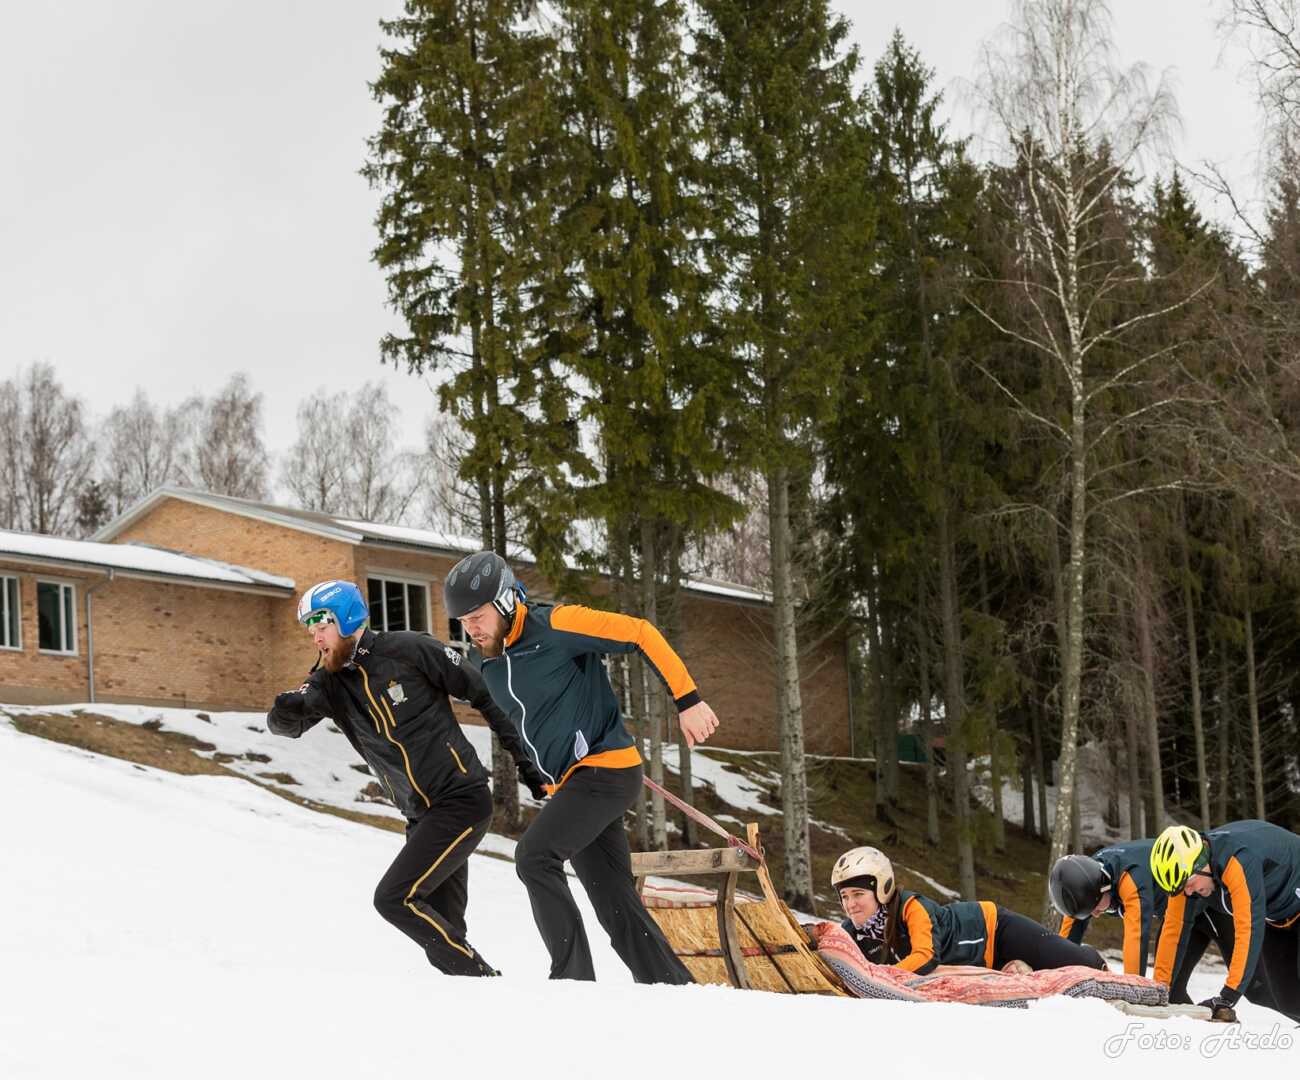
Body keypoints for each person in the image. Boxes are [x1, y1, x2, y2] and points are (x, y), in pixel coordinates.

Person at [444, 550, 717, 983]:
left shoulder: (557, 625)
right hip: (572, 786)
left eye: (477, 616)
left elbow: (640, 633)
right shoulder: (486, 658)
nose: (471, 628)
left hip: (605, 769)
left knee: (533, 857)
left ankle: (571, 984)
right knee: (616, 904)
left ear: (505, 601)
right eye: (463, 620)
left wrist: (688, 700)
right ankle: (673, 989)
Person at [267, 579, 548, 977]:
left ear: (347, 620)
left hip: (460, 799)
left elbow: (484, 695)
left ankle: (487, 980)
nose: (316, 638)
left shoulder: (410, 650)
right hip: (420, 816)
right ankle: (477, 1003)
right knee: (442, 934)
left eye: (321, 625)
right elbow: (285, 727)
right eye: (310, 630)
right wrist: (285, 710)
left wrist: (529, 765)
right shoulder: (328, 683)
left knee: (395, 899)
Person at [832, 846, 1106, 975]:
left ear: (882, 887)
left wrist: (880, 976)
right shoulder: (854, 932)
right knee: (1030, 975)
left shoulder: (912, 907)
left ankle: (1101, 964)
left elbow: (925, 957)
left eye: (858, 894)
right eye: (844, 896)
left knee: (1079, 963)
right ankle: (1014, 969)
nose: (850, 904)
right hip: (981, 965)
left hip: (995, 929)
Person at [1150, 820, 1300, 1022]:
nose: (1188, 892)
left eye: (1190, 884)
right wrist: (1159, 990)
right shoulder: (1186, 877)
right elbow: (1173, 931)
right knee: (1288, 1000)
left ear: (1201, 863)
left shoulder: (1237, 860)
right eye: (1181, 888)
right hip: (1279, 917)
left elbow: (1248, 929)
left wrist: (1227, 997)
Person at [1048, 840, 1166, 976]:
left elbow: (1136, 938)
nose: (1096, 915)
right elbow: (1067, 943)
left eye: (1094, 908)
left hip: (1191, 891)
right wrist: (1056, 975)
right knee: (1173, 991)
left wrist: (1133, 988)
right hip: (1169, 907)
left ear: (1104, 888)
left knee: (1169, 986)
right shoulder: (1086, 877)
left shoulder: (1130, 879)